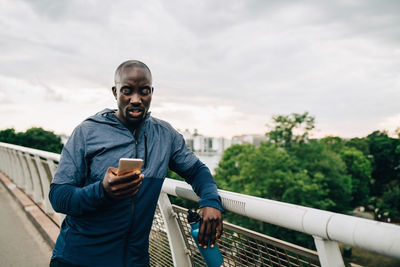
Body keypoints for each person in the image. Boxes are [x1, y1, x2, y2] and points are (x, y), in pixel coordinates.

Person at [49, 60, 223, 267]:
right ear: (115, 92)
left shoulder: (165, 135)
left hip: (134, 261)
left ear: (152, 92)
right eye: (127, 91)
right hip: (78, 258)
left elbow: (196, 170)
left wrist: (211, 201)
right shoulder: (87, 132)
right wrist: (102, 191)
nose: (136, 99)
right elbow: (58, 196)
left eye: (144, 91)